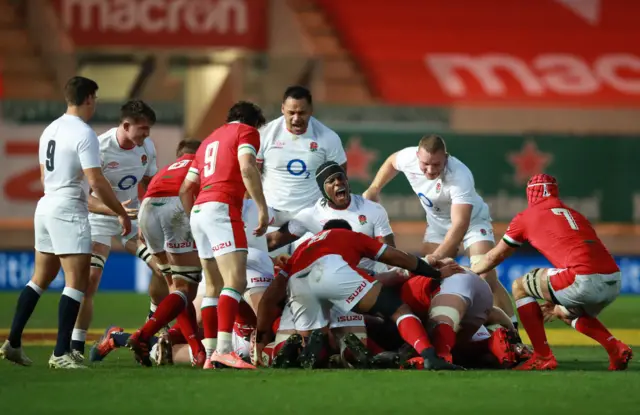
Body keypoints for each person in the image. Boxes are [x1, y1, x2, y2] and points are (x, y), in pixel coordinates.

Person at [0, 76, 131, 369]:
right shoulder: (84, 134)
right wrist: (119, 211)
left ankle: (13, 342)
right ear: (89, 98)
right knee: (77, 281)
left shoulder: (50, 129)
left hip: (45, 206)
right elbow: (95, 179)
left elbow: (45, 177)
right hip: (69, 208)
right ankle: (61, 353)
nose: (95, 103)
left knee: (40, 279)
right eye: (95, 98)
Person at [254, 219, 465, 370]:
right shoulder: (349, 236)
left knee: (310, 347)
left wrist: (261, 339)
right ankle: (429, 355)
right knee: (397, 309)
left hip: (298, 282)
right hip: (331, 270)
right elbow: (396, 257)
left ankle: (299, 353)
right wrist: (434, 272)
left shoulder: (301, 249)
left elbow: (270, 297)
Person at [471, 174, 633, 371]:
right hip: (613, 280)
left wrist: (467, 274)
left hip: (581, 279)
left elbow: (492, 258)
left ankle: (542, 356)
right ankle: (615, 348)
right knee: (562, 312)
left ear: (530, 194)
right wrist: (558, 297)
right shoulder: (575, 214)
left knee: (519, 286)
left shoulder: (526, 217)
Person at [363, 134, 516, 326]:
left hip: (472, 223)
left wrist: (433, 259)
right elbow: (392, 161)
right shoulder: (408, 157)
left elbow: (460, 225)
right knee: (427, 281)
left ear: (446, 157)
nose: (430, 170)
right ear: (417, 155)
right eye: (425, 164)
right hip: (436, 224)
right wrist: (374, 188)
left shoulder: (459, 176)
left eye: (436, 164)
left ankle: (512, 329)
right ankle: (436, 325)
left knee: (485, 277)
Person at [70, 100, 164, 360]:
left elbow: (151, 184)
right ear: (125, 125)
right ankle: (76, 346)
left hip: (132, 217)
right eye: (142, 129)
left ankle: (150, 329)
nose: (146, 135)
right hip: (98, 218)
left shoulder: (146, 147)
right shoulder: (98, 147)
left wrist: (149, 216)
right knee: (89, 281)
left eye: (149, 130)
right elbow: (83, 196)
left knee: (162, 269)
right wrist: (114, 210)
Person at [179, 101, 269, 370]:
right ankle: (225, 350)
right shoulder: (247, 132)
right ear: (252, 123)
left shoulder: (207, 140)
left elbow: (186, 188)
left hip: (199, 210)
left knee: (213, 286)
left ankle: (208, 356)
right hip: (223, 207)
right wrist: (262, 207)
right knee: (236, 281)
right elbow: (246, 167)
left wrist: (195, 215)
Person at [126, 139, 205, 367]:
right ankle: (143, 334)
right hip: (176, 206)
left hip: (148, 210)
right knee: (185, 289)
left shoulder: (166, 171)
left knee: (176, 289)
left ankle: (197, 350)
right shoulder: (199, 164)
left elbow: (149, 199)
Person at [258, 86, 347, 254]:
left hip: (309, 216)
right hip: (272, 215)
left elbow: (340, 181)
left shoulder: (328, 138)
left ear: (311, 110)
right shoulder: (265, 134)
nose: (296, 118)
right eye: (291, 112)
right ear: (282, 108)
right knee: (266, 270)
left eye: (302, 113)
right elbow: (251, 176)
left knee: (311, 268)